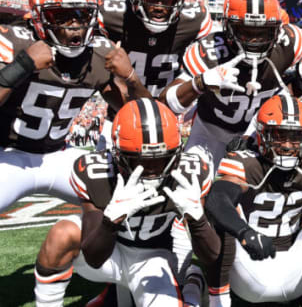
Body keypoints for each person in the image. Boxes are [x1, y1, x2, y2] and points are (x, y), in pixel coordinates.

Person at [34, 99, 217, 307]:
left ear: (177, 155)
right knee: (63, 233)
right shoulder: (98, 173)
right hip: (108, 254)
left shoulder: (191, 174)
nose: (152, 171)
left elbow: (211, 255)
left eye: (161, 160)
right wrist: (110, 221)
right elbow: (94, 258)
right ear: (117, 154)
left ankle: (192, 289)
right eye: (140, 161)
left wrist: (197, 220)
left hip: (153, 259)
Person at [0, 0, 149, 215]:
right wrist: (22, 66)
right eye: (61, 16)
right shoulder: (14, 42)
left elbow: (143, 115)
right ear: (38, 17)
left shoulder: (100, 53)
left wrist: (132, 78)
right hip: (8, 155)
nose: (75, 27)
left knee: (133, 197)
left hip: (59, 155)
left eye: (81, 15)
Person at [204, 94, 302, 307]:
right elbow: (217, 200)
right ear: (261, 134)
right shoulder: (247, 162)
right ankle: (219, 301)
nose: (288, 145)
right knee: (224, 216)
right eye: (279, 135)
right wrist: (245, 233)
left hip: (294, 263)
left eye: (296, 136)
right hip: (249, 266)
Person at [159, 0, 302, 172]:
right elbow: (164, 103)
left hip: (256, 135)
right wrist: (201, 82)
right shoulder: (211, 52)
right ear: (227, 27)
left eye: (263, 32)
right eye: (246, 32)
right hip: (208, 134)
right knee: (189, 186)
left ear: (277, 30)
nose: (254, 41)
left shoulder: (287, 44)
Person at [96, 0, 212, 148]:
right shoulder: (111, 16)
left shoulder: (194, 21)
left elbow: (204, 68)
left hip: (168, 114)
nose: (159, 6)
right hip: (119, 113)